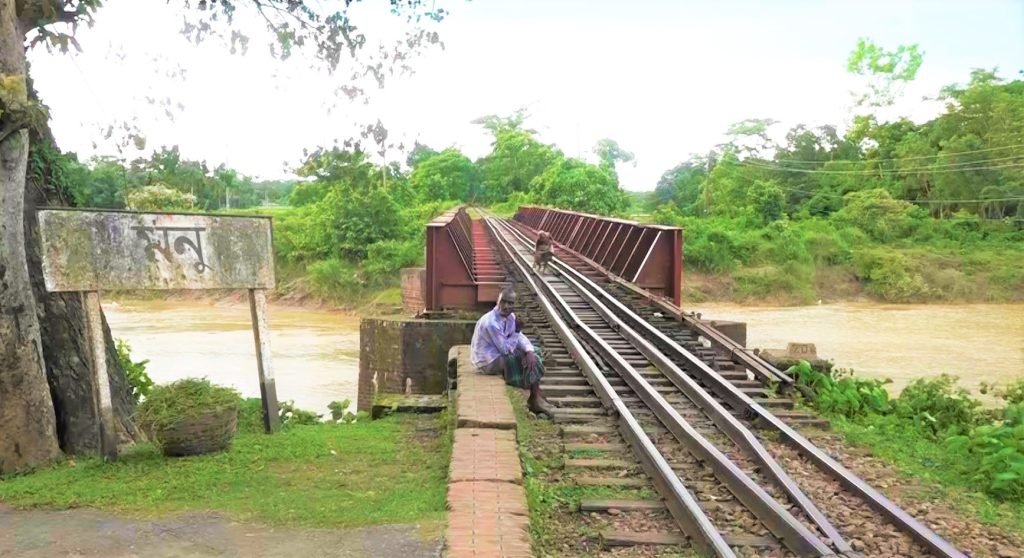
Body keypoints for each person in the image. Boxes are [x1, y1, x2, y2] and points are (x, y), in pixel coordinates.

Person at [470, 286, 554, 417]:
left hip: (497, 354)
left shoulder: (510, 317)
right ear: (497, 301)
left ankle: (534, 395)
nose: (506, 306)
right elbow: (505, 350)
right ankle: (534, 397)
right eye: (503, 301)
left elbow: (520, 338)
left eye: (510, 303)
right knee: (526, 359)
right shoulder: (491, 323)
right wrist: (516, 331)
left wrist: (529, 351)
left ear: (514, 304)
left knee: (534, 351)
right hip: (487, 361)